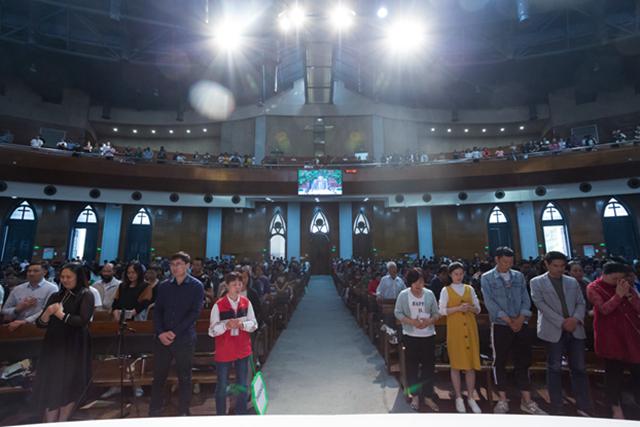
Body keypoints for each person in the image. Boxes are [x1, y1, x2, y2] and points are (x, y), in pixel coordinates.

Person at [480, 247, 546, 414]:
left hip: (520, 323)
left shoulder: (518, 276)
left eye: (510, 262)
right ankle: (502, 400)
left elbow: (526, 298)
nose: (507, 265)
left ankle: (527, 400)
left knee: (523, 361)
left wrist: (521, 317)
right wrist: (508, 319)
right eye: (504, 262)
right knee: (499, 361)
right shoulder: (487, 278)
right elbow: (490, 302)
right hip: (501, 325)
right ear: (497, 260)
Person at [530, 252, 591, 416]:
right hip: (553, 329)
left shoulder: (572, 281)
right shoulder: (536, 282)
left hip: (575, 328)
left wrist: (575, 319)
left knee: (579, 368)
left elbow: (581, 302)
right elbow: (541, 305)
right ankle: (557, 406)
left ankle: (583, 405)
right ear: (547, 265)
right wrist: (562, 322)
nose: (559, 269)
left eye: (562, 266)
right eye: (555, 266)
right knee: (554, 368)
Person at [32, 262, 94, 422]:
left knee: (69, 382)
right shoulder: (56, 295)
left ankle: (62, 421)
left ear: (77, 278)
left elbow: (82, 320)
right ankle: (49, 421)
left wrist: (61, 315)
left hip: (74, 344)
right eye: (62, 277)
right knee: (51, 381)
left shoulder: (86, 294)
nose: (65, 280)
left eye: (69, 277)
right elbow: (40, 323)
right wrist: (47, 313)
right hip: (54, 342)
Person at [149, 252, 204, 417]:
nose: (175, 268)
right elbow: (157, 311)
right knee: (159, 375)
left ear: (187, 266)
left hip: (184, 337)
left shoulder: (196, 286)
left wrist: (174, 332)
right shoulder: (164, 286)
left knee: (184, 376)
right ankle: (154, 409)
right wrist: (160, 332)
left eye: (179, 264)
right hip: (162, 338)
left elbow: (194, 313)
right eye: (172, 265)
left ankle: (183, 411)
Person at [587, 261, 640, 419]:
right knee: (613, 374)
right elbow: (604, 310)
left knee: (637, 371)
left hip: (631, 335)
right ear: (605, 274)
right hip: (610, 336)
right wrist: (618, 295)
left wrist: (630, 297)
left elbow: (638, 307)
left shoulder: (625, 286)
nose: (619, 281)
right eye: (615, 278)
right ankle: (615, 408)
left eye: (621, 278)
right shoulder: (594, 288)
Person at [209, 272, 258, 415]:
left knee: (242, 384)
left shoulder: (246, 302)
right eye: (234, 284)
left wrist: (243, 325)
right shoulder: (219, 305)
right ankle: (220, 414)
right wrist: (226, 326)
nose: (237, 287)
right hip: (225, 350)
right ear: (227, 286)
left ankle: (240, 413)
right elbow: (212, 331)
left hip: (242, 349)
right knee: (222, 384)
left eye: (240, 284)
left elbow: (254, 324)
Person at [394, 268, 440, 412]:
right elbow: (398, 312)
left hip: (428, 335)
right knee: (412, 366)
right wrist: (411, 322)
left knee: (428, 366)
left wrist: (429, 321)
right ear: (410, 282)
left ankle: (427, 395)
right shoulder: (403, 295)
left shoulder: (429, 294)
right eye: (415, 282)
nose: (419, 285)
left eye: (421, 281)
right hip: (411, 336)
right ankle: (415, 395)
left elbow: (436, 313)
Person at [438, 262, 482, 413]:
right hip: (455, 329)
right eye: (456, 274)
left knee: (470, 365)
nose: (459, 276)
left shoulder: (469, 289)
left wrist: (470, 307)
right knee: (456, 364)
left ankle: (470, 397)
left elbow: (478, 309)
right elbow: (442, 310)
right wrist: (458, 308)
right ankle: (458, 397)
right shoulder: (446, 290)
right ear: (450, 275)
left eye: (461, 273)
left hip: (470, 328)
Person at [1, 262, 58, 331]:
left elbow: (46, 310)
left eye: (35, 271)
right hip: (15, 326)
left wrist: (26, 321)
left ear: (44, 272)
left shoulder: (52, 288)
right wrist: (17, 309)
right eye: (29, 271)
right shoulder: (18, 289)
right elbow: (4, 310)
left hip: (38, 328)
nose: (31, 274)